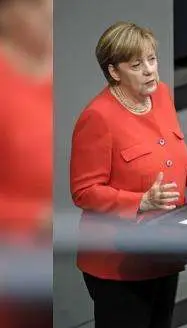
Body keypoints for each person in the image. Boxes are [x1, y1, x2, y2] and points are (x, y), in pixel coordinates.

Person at [70, 21, 187, 328]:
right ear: (114, 72)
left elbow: (170, 162)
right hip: (117, 261)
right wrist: (140, 202)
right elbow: (84, 191)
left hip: (163, 248)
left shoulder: (162, 95)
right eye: (137, 65)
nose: (150, 70)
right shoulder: (98, 117)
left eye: (152, 60)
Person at [0, 0, 52, 326]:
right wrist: (35, 217)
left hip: (53, 268)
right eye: (34, 4)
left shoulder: (60, 74)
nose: (48, 11)